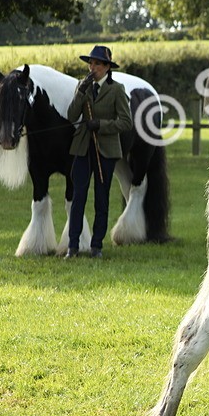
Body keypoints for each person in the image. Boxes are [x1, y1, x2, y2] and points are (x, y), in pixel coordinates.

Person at [65, 45, 133, 258]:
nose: (92, 68)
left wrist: (101, 125)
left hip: (106, 150)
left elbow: (126, 122)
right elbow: (71, 115)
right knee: (78, 196)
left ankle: (97, 246)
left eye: (97, 64)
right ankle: (73, 246)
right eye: (90, 63)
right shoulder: (82, 86)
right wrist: (81, 92)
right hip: (83, 147)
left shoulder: (117, 89)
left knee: (101, 198)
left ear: (106, 67)